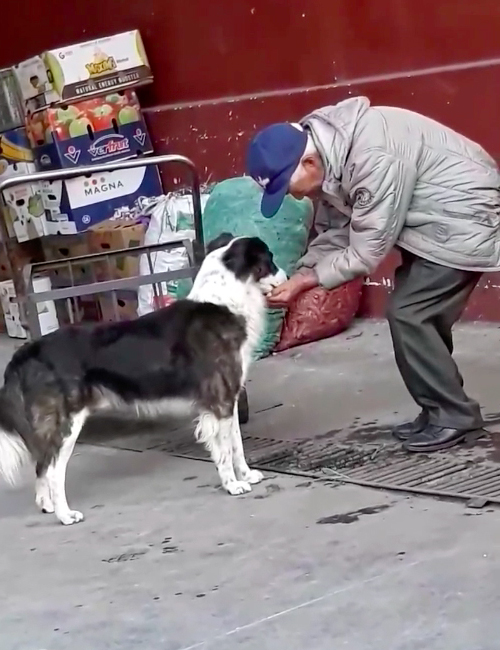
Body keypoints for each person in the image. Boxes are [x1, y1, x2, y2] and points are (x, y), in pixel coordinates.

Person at [246, 96, 500, 452]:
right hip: (427, 221)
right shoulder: (330, 156)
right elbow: (337, 231)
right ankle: (441, 409)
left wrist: (306, 282)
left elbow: (365, 250)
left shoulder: (371, 158)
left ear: (307, 161)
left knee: (411, 313)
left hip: (462, 216)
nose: (290, 194)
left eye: (284, 185)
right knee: (416, 314)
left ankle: (453, 416)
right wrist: (301, 274)